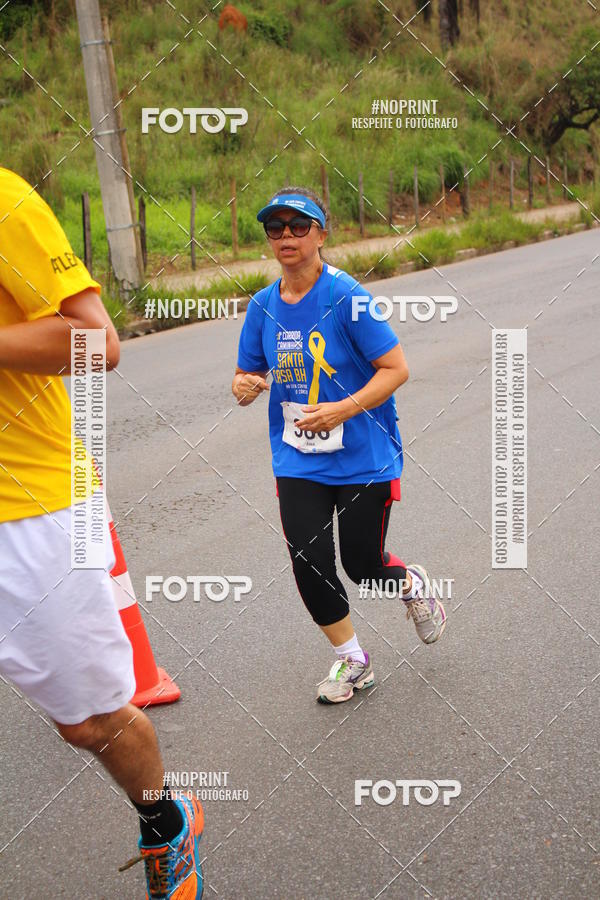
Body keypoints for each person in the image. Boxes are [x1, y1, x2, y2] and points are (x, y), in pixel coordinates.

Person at [0, 167, 204, 898]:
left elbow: (97, 343)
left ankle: (166, 822)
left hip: (30, 512)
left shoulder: (6, 202)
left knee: (89, 724)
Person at [232, 186, 446, 704]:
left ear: (321, 235)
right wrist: (244, 385)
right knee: (308, 561)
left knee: (362, 565)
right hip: (298, 457)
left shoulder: (347, 296)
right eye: (276, 227)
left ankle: (411, 585)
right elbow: (245, 373)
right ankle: (353, 660)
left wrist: (343, 409)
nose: (286, 235)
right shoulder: (262, 306)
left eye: (298, 226)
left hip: (363, 457)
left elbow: (395, 369)